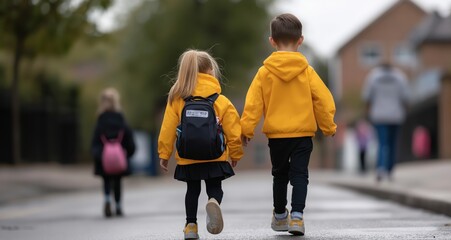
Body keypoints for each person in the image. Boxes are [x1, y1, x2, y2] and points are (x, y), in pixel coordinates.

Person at [240, 13, 337, 236]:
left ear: (272, 41)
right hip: (303, 134)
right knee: (300, 175)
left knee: (280, 175)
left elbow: (253, 104)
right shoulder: (308, 72)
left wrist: (246, 130)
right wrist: (328, 125)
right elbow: (323, 99)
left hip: (277, 136)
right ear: (300, 40)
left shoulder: (264, 73)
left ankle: (280, 214)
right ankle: (297, 218)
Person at [157, 49, 243, 240]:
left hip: (188, 157)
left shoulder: (177, 99)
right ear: (210, 71)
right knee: (215, 188)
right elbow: (233, 130)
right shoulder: (220, 100)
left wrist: (164, 154)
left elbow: (167, 128)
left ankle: (190, 226)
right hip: (215, 155)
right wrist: (236, 153)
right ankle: (213, 201)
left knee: (192, 191)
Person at [91, 88, 136, 218]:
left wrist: (98, 154)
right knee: (117, 181)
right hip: (118, 157)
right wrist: (128, 152)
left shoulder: (101, 119)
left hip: (104, 157)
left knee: (106, 180)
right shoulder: (120, 118)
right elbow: (128, 137)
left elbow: (95, 139)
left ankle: (106, 199)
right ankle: (118, 206)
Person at [362, 62, 410, 182]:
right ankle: (390, 170)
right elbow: (406, 97)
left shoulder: (373, 77)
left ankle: (380, 168)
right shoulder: (400, 77)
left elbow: (367, 97)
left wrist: (368, 113)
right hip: (395, 115)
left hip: (379, 116)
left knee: (382, 143)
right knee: (393, 144)